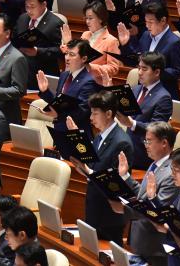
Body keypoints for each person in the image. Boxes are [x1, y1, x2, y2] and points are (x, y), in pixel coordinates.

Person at [68, 91, 133, 245]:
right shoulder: (99, 136)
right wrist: (82, 167)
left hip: (109, 217)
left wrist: (88, 171)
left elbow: (115, 185)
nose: (91, 118)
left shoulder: (122, 143)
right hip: (94, 211)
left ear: (109, 113)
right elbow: (93, 166)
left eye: (95, 114)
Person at [115, 121, 179, 266]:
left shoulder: (171, 173)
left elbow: (158, 208)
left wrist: (125, 208)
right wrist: (125, 176)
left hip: (154, 248)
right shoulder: (155, 163)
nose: (145, 145)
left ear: (164, 143)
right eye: (145, 141)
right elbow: (142, 196)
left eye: (149, 141)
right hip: (141, 242)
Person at [108, 52, 172, 170]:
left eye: (144, 69)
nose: (139, 72)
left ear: (157, 72)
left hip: (143, 155)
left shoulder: (164, 97)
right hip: (126, 149)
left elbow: (156, 129)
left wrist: (132, 124)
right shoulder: (135, 89)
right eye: (138, 68)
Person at [118, 2, 180, 100]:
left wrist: (155, 72)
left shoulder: (175, 42)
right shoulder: (145, 35)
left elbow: (178, 71)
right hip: (143, 90)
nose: (147, 25)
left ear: (163, 20)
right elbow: (137, 58)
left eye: (150, 22)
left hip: (164, 93)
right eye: (146, 22)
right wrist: (126, 44)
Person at [37, 39, 99, 134]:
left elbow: (81, 113)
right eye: (66, 54)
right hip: (59, 130)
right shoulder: (64, 75)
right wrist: (45, 91)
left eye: (72, 55)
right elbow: (58, 103)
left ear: (84, 59)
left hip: (76, 133)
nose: (67, 58)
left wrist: (58, 114)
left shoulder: (89, 82)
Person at [12, 0, 63, 89]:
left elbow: (60, 51)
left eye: (32, 6)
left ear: (44, 4)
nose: (29, 10)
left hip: (41, 77)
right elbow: (14, 40)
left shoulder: (55, 23)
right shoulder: (22, 18)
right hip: (20, 73)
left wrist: (38, 51)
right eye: (26, 6)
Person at [69, 0, 120, 85]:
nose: (87, 21)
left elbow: (114, 68)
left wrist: (91, 67)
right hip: (79, 80)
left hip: (96, 84)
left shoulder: (111, 41)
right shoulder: (85, 35)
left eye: (90, 18)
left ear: (100, 19)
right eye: (86, 18)